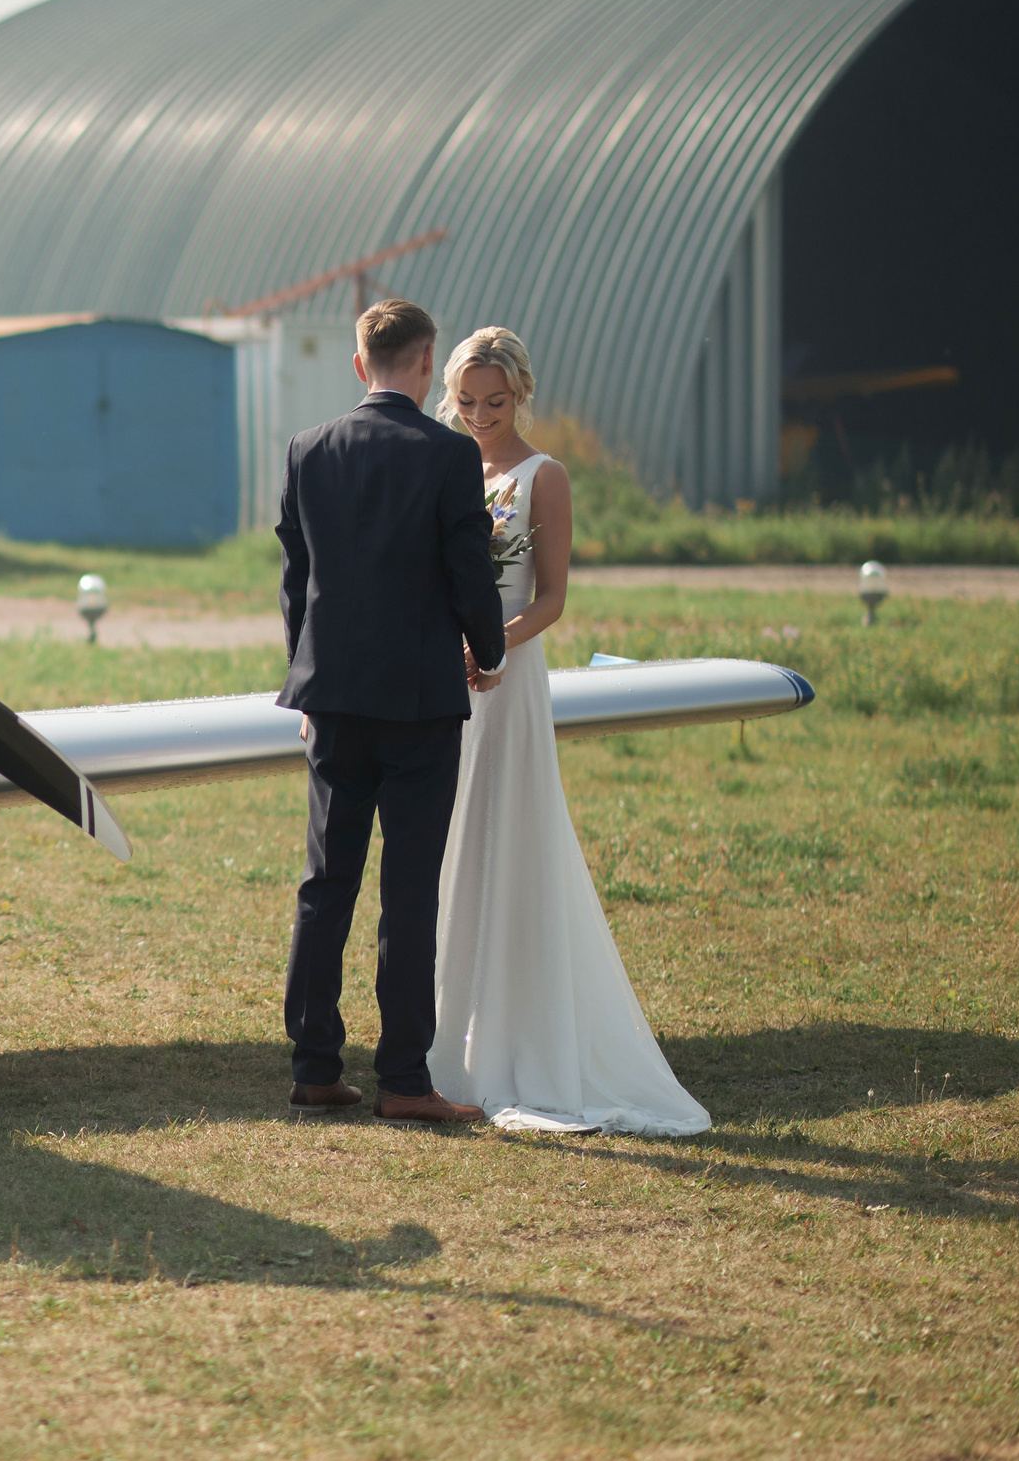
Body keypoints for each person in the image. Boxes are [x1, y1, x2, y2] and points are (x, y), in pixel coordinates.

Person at [427, 328, 711, 1135]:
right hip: (447, 683)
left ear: (520, 395)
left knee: (513, 832)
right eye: (467, 401)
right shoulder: (448, 467)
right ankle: (457, 1038)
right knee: (452, 842)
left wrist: (491, 647)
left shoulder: (541, 475)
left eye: (495, 401)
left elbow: (551, 599)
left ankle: (529, 1040)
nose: (480, 415)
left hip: (508, 679)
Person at [274, 299, 505, 1125]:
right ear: (425, 359)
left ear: (360, 364)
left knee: (324, 884)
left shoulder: (308, 448)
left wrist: (304, 675)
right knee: (408, 891)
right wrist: (491, 647)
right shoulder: (449, 454)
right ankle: (404, 1078)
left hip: (331, 697)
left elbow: (297, 579)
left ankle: (313, 1066)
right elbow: (467, 568)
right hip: (417, 703)